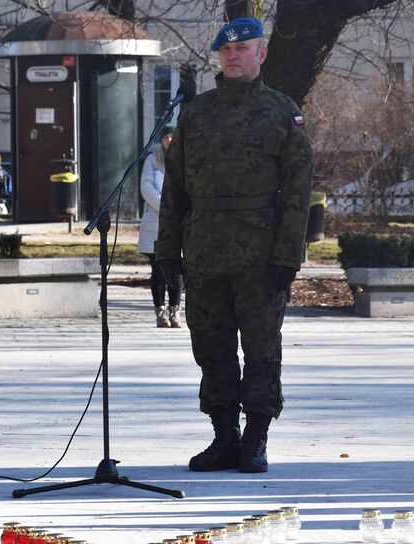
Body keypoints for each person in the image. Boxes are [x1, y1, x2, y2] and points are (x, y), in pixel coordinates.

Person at [156, 17, 313, 473]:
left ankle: (256, 438)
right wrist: (167, 250)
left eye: (243, 48)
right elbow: (175, 190)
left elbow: (298, 191)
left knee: (262, 348)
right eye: (226, 50)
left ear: (261, 54)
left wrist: (289, 255)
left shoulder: (283, 112)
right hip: (204, 251)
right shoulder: (195, 114)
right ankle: (225, 436)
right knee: (211, 347)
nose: (233, 55)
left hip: (260, 256)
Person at [138, 124, 181, 328]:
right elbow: (146, 188)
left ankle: (175, 310)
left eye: (173, 137)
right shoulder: (152, 160)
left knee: (176, 269)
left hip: (177, 222)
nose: (169, 141)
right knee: (158, 269)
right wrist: (164, 205)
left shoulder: (183, 159)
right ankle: (160, 311)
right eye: (166, 138)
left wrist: (176, 207)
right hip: (155, 221)